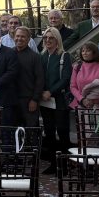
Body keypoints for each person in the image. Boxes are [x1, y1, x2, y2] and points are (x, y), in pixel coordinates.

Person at [39, 27, 72, 174]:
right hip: (44, 101)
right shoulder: (42, 56)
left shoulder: (64, 56)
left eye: (51, 38)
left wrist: (50, 91)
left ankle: (64, 164)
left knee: (63, 132)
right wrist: (41, 91)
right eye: (45, 38)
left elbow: (65, 79)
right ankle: (53, 163)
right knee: (49, 132)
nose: (47, 40)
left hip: (58, 99)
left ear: (57, 39)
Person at [11, 26, 44, 128]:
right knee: (14, 131)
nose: (19, 39)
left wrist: (34, 99)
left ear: (29, 39)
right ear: (13, 37)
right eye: (17, 36)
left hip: (29, 101)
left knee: (31, 131)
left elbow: (40, 80)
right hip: (11, 100)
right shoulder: (8, 54)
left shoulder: (35, 57)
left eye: (23, 36)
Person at [69, 42, 99, 110]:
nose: (84, 53)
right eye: (83, 51)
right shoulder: (77, 67)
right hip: (81, 106)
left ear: (94, 52)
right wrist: (82, 99)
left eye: (88, 50)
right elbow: (73, 86)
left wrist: (93, 101)